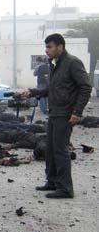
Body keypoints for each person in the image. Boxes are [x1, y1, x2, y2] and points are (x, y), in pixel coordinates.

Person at [22, 33, 92, 198]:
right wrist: (32, 92)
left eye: (50, 47)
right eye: (46, 47)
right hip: (54, 112)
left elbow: (85, 87)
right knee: (51, 149)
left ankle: (66, 188)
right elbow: (50, 89)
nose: (47, 50)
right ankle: (52, 181)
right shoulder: (55, 65)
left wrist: (77, 112)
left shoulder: (72, 63)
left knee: (60, 150)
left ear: (60, 46)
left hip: (65, 114)